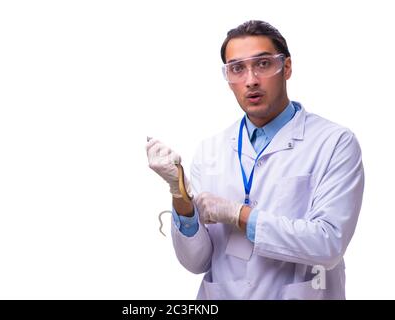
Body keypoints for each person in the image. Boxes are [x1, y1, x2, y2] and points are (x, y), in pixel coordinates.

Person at [146, 20, 364, 300]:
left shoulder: (334, 142)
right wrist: (181, 197)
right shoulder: (211, 149)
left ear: (286, 68)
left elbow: (328, 244)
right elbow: (196, 262)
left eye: (262, 64)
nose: (250, 80)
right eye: (237, 68)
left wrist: (239, 215)